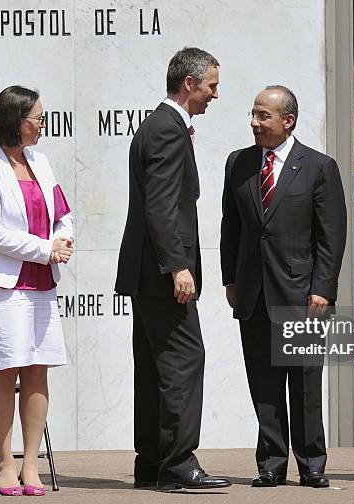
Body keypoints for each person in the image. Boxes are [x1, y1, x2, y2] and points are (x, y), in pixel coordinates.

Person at [115, 47, 231, 491]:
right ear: (189, 83)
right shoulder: (167, 130)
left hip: (146, 274)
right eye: (211, 85)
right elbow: (161, 206)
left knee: (154, 365)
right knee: (184, 361)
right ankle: (179, 464)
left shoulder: (158, 126)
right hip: (163, 274)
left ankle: (153, 463)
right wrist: (178, 266)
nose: (214, 95)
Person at [220, 85, 347, 488]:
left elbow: (332, 235)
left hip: (303, 294)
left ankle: (311, 463)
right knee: (264, 382)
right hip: (254, 293)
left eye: (263, 116)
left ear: (287, 120)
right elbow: (232, 228)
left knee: (305, 383)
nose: (254, 123)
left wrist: (322, 288)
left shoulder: (318, 166)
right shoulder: (238, 163)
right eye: (253, 115)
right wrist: (231, 279)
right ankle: (271, 464)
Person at [0, 86, 74, 496]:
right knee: (6, 371)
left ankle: (30, 464)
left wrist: (62, 239)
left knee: (38, 370)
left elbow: (61, 213)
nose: (43, 124)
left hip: (41, 282)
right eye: (37, 118)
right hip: (1, 285)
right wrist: (47, 249)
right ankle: (4, 462)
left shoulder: (40, 161)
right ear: (14, 120)